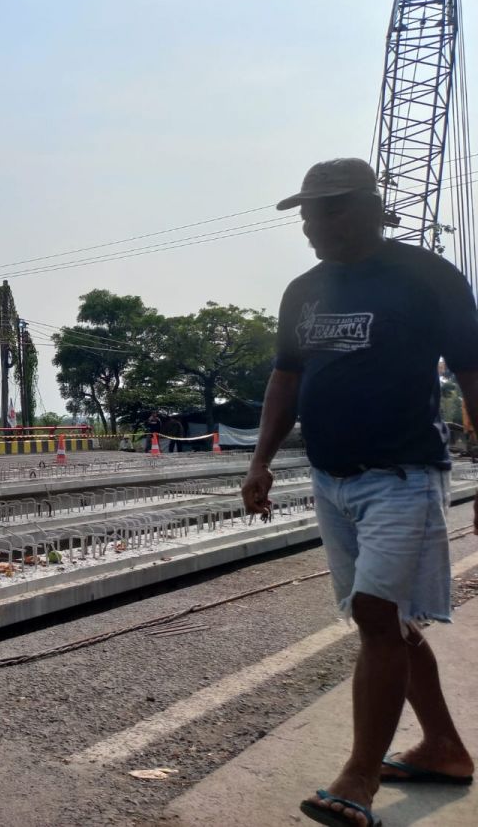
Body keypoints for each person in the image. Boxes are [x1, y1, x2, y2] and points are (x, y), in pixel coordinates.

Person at [241, 158, 478, 827]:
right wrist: (259, 462)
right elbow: (286, 380)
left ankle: (356, 782)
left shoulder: (427, 277)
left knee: (376, 618)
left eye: (332, 208)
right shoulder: (305, 290)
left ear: (376, 208)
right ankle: (443, 748)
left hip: (403, 475)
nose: (316, 224)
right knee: (389, 625)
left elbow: (472, 371)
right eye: (309, 212)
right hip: (330, 480)